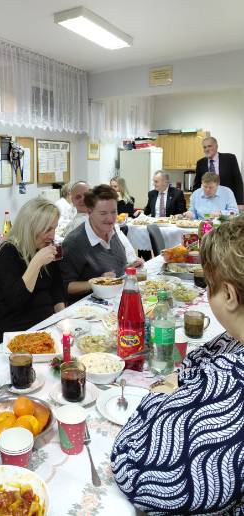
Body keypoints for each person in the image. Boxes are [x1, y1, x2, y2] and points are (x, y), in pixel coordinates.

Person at [111, 216, 244, 514]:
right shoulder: (234, 340)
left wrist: (158, 395)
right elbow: (195, 362)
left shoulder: (230, 385)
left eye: (209, 285)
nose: (206, 293)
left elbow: (134, 471)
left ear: (229, 295)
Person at [60, 184, 143, 304]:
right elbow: (66, 287)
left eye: (114, 212)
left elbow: (113, 268)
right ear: (89, 212)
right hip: (89, 306)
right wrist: (98, 282)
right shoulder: (74, 242)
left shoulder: (111, 230)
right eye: (103, 213)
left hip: (116, 298)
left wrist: (129, 267)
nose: (110, 218)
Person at [0, 198, 65, 333]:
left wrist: (62, 318)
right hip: (21, 329)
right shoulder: (7, 251)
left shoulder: (45, 246)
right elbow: (15, 302)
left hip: (49, 323)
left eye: (54, 229)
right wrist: (36, 263)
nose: (52, 236)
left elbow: (57, 290)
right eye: (47, 229)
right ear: (30, 227)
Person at [193, 136, 244, 206]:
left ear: (216, 146)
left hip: (227, 200)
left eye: (209, 146)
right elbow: (197, 185)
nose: (207, 149)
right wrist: (195, 201)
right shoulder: (200, 163)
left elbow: (238, 182)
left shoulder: (230, 158)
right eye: (204, 147)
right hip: (208, 202)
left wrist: (240, 202)